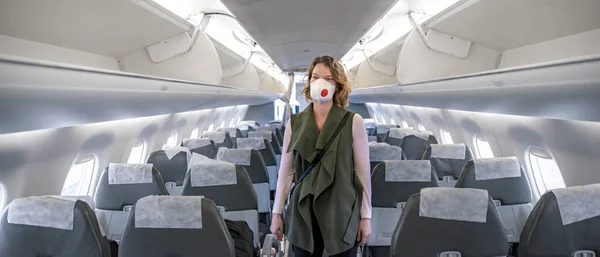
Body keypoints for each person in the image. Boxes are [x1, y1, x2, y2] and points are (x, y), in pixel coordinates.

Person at [270, 55, 372, 257]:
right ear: (308, 81)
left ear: (337, 84)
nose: (321, 82)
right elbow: (287, 171)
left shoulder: (354, 121)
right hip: (303, 211)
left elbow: (362, 173)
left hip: (341, 211)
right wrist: (276, 213)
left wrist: (365, 217)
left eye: (328, 78)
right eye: (315, 77)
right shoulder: (295, 123)